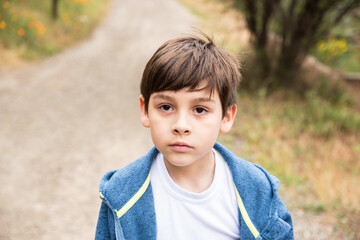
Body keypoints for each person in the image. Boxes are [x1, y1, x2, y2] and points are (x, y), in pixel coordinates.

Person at [95, 31, 293, 240]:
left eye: (199, 110)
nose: (181, 126)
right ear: (145, 111)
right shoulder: (121, 194)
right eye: (165, 107)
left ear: (226, 116)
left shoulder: (258, 191)